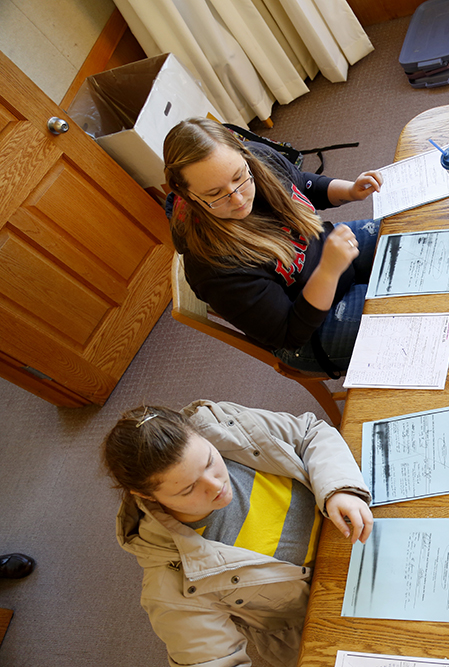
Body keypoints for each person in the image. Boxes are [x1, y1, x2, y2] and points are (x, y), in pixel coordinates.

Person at [102, 401, 373, 666]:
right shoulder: (171, 587)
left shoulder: (221, 422)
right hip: (328, 606)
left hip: (354, 533)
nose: (216, 484)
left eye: (209, 461)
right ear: (145, 496)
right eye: (187, 489)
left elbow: (309, 432)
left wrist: (339, 488)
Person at [163, 118, 384, 375]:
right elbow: (290, 334)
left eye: (239, 177)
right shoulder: (212, 267)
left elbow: (300, 183)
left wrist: (350, 190)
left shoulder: (260, 159)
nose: (237, 198)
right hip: (311, 330)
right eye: (215, 194)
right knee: (413, 311)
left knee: (411, 236)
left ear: (243, 154)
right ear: (186, 193)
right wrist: (328, 272)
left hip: (327, 258)